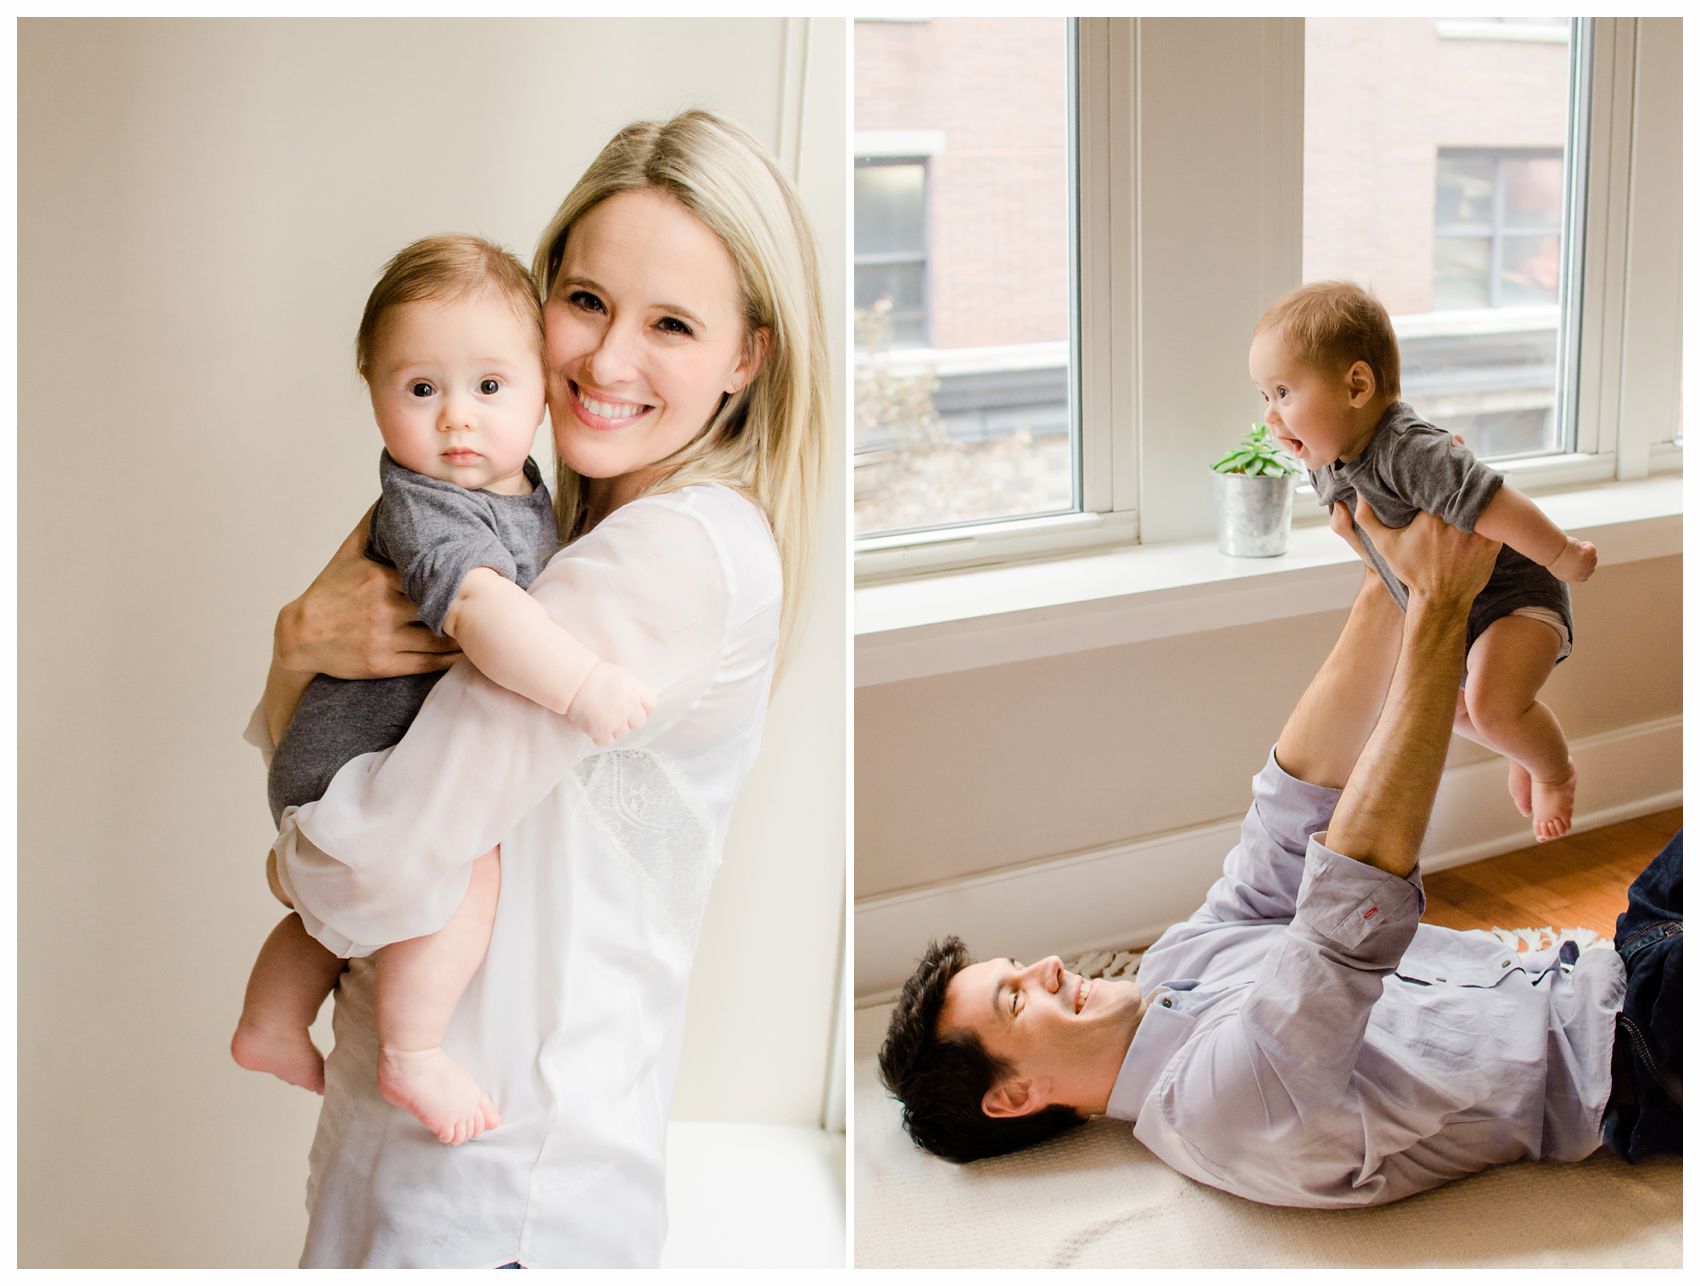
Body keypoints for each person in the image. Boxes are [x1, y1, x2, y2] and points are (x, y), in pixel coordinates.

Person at [252, 110, 828, 1267]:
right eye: (585, 300)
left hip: (496, 1189)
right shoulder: (539, 529)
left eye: (670, 322)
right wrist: (294, 643)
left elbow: (367, 863)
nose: (607, 361)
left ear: (747, 356)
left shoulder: (667, 554)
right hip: (422, 1149)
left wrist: (289, 858)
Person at [880, 505, 1681, 1204]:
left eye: (1017, 967)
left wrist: (1388, 579)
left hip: (1618, 951)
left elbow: (1291, 810)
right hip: (1638, 1051)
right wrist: (1439, 604)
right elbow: (1350, 913)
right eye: (1017, 1001)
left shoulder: (1174, 963)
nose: (1048, 967)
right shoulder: (1219, 1113)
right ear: (1014, 1096)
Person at [231, 234, 654, 1147]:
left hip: (337, 755)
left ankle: (268, 1023)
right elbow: (485, 615)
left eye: (489, 388)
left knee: (331, 913)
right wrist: (580, 685)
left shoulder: (514, 485)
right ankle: (413, 1051)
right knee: (468, 873)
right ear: (375, 391)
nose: (456, 419)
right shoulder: (429, 504)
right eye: (422, 390)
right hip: (348, 758)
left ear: (544, 385)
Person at [1250, 281, 1596, 841]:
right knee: (1457, 713)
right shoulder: (1328, 462)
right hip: (1459, 609)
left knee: (1489, 705)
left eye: (1283, 392)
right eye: (1263, 396)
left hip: (1514, 598)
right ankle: (1517, 732)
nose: (1270, 416)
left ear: (1357, 385)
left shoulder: (1407, 447)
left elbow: (1493, 498)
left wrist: (1562, 555)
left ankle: (1553, 770)